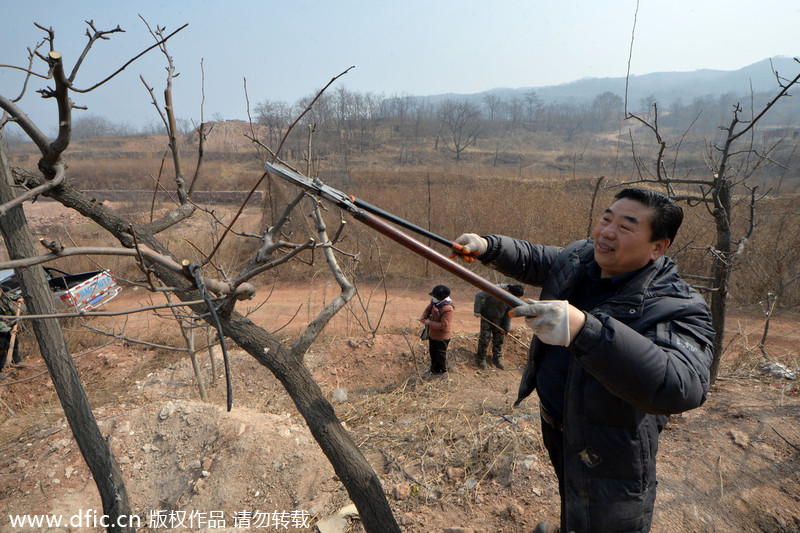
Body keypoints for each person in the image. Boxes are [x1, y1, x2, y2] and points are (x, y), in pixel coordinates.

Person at [453, 188, 714, 533]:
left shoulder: (677, 305)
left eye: (626, 227)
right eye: (607, 219)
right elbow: (538, 259)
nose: (606, 232)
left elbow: (681, 386)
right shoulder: (583, 258)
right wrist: (490, 247)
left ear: (657, 247)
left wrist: (584, 330)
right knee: (572, 496)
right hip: (559, 425)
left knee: (608, 521)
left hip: (613, 445)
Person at [473, 283, 524, 369]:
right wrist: (476, 310)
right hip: (487, 316)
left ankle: (497, 358)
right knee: (485, 338)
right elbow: (479, 295)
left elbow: (509, 314)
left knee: (499, 339)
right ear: (510, 291)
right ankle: (481, 358)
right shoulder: (496, 289)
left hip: (500, 319)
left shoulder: (513, 299)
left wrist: (506, 328)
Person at [419, 284, 454, 378]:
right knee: (433, 353)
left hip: (442, 336)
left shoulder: (448, 309)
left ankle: (443, 372)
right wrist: (423, 317)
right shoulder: (435, 302)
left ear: (441, 298)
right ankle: (433, 370)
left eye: (435, 296)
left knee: (441, 355)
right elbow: (428, 309)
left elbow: (443, 325)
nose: (433, 297)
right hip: (432, 334)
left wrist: (428, 322)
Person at [0, 288, 21, 374]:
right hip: (2, 328)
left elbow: (12, 295)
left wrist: (18, 298)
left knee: (14, 343)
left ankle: (16, 360)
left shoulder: (4, 297)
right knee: (1, 348)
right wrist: (9, 327)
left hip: (9, 324)